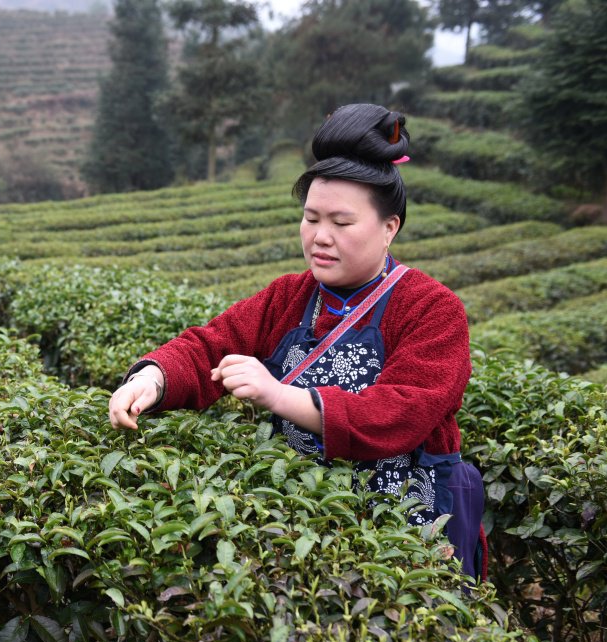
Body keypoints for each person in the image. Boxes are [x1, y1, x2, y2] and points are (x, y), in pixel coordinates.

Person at [108, 103, 485, 579]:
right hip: (306, 524)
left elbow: (402, 412)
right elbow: (210, 345)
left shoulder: (431, 308)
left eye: (341, 223)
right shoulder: (289, 295)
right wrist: (152, 379)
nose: (320, 237)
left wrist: (278, 395)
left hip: (405, 533)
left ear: (390, 227)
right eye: (311, 218)